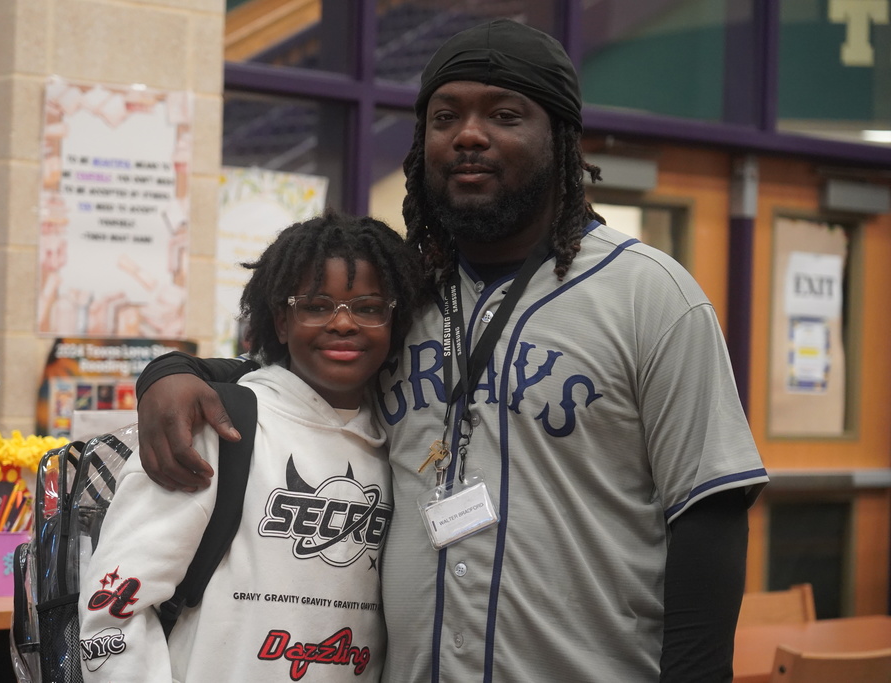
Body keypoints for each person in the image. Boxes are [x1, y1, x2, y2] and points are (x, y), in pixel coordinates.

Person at [134, 18, 769, 683]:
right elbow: (292, 374)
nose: (468, 134)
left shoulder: (652, 295)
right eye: (445, 117)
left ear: (560, 138)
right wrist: (172, 370)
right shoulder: (403, 296)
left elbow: (708, 515)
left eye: (503, 114)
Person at [78, 211, 424, 681]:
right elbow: (112, 608)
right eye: (317, 306)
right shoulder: (219, 424)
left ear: (393, 320)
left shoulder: (400, 446)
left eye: (367, 307)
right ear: (281, 321)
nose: (343, 324)